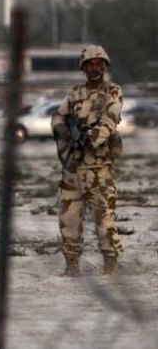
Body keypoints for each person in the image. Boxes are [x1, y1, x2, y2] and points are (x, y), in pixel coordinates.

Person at [50, 44, 123, 277]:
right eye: (90, 64)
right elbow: (58, 116)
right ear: (83, 68)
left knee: (104, 221)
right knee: (68, 220)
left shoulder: (112, 92)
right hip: (72, 168)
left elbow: (109, 122)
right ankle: (72, 267)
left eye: (98, 64)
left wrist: (88, 137)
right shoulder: (75, 94)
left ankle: (110, 265)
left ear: (105, 66)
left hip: (99, 168)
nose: (95, 67)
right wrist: (63, 130)